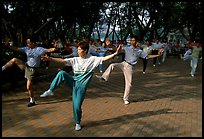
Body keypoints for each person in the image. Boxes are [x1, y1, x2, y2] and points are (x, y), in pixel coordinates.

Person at [39, 40, 121, 131]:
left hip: (81, 88)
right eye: (77, 49)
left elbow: (104, 58)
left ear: (85, 50)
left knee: (77, 106)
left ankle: (77, 122)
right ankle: (50, 90)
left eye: (79, 49)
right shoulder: (75, 60)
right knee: (62, 73)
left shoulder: (92, 59)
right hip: (73, 82)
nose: (78, 51)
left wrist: (115, 53)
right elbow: (63, 61)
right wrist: (50, 59)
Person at [96, 35, 161, 105]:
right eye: (131, 40)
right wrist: (110, 45)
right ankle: (104, 77)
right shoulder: (127, 48)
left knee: (129, 84)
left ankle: (125, 99)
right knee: (112, 65)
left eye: (133, 40)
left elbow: (147, 56)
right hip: (124, 63)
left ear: (137, 42)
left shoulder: (139, 51)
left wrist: (158, 55)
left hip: (130, 67)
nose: (132, 42)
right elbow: (116, 49)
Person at [2, 37, 57, 107]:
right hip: (26, 66)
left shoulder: (39, 49)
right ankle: (2, 68)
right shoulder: (27, 49)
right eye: (27, 43)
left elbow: (49, 50)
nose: (27, 45)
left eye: (29, 43)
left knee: (28, 87)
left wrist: (55, 48)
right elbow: (16, 49)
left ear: (33, 43)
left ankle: (32, 100)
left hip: (32, 70)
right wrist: (8, 45)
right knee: (14, 60)